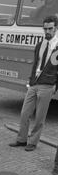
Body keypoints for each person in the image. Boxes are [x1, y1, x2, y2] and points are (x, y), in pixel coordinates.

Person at [9, 16, 58, 151]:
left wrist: (55, 86)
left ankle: (33, 142)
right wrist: (31, 80)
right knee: (25, 113)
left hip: (48, 85)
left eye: (50, 29)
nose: (47, 31)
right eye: (45, 28)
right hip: (34, 83)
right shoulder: (40, 44)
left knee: (39, 118)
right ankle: (21, 139)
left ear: (56, 28)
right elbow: (35, 64)